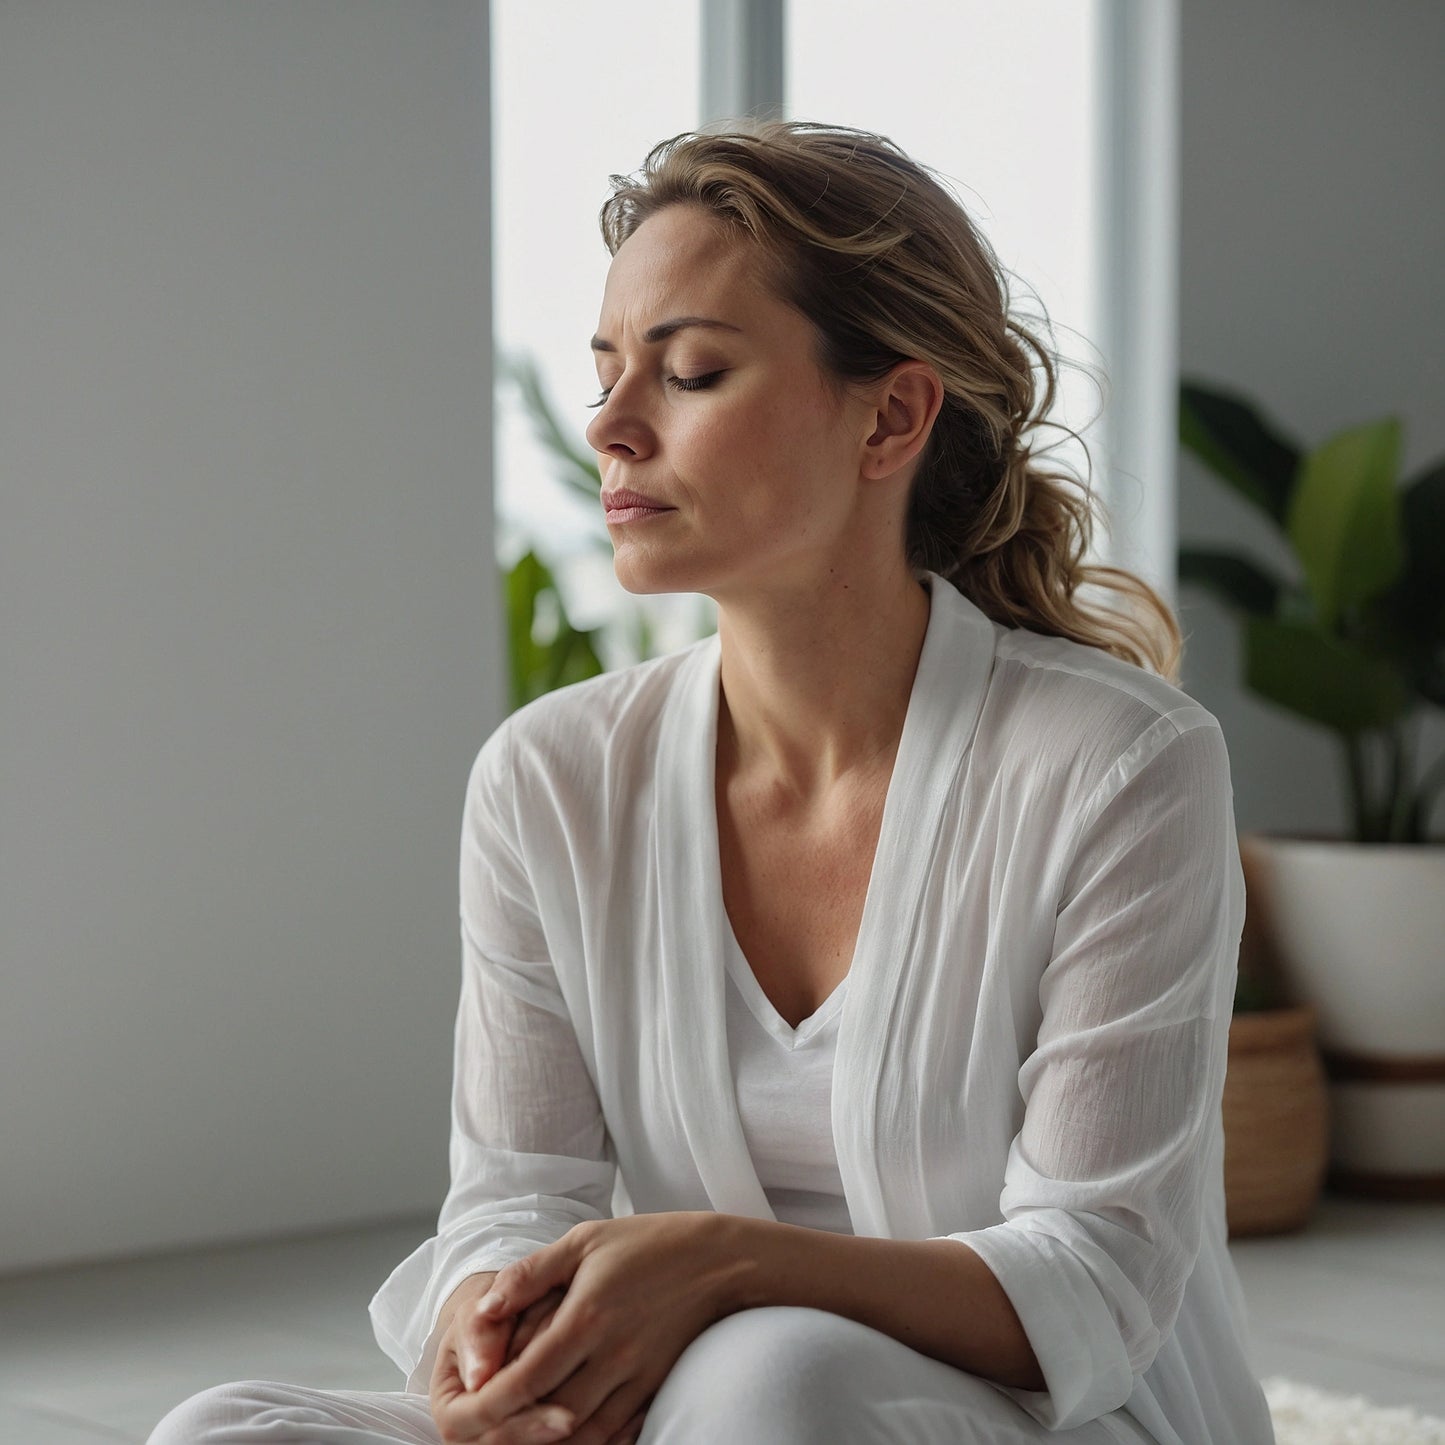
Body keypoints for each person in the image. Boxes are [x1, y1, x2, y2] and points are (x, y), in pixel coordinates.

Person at [149, 120, 1275, 1445]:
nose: (612, 428)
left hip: (1048, 1417)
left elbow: (1091, 1274)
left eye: (688, 373)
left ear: (891, 415)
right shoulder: (552, 775)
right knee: (221, 1428)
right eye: (607, 371)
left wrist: (726, 1263)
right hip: (675, 1404)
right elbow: (518, 1190)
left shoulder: (1119, 764)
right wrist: (486, 1325)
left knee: (773, 1381)